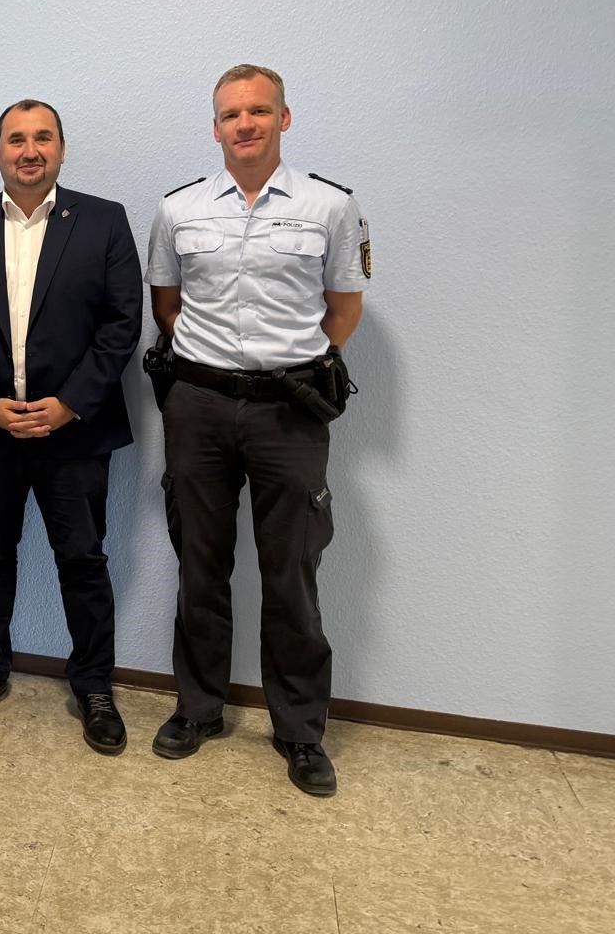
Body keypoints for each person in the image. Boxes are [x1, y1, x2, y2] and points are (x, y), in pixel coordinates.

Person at [146, 64, 369, 797]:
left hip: (289, 409)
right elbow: (167, 307)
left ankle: (300, 731)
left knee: (292, 571)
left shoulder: (330, 206)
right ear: (214, 127)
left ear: (284, 118)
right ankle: (199, 709)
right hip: (199, 405)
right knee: (199, 565)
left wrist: (287, 367)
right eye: (231, 114)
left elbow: (343, 310)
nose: (245, 124)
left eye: (259, 111)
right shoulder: (178, 209)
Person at [0, 99, 142, 751]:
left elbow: (122, 324)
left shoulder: (104, 222)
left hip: (74, 431)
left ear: (62, 150)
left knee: (83, 559)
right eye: (16, 139)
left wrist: (70, 402)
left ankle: (94, 684)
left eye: (42, 137)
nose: (29, 150)